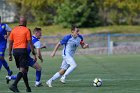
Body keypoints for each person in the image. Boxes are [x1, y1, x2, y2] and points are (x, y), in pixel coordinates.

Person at [9, 16, 36, 92]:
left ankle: (28, 88)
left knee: (24, 70)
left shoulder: (13, 30)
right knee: (23, 70)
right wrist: (34, 53)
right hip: (22, 51)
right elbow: (30, 42)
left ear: (19, 22)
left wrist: (10, 54)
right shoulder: (27, 30)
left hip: (15, 51)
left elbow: (10, 43)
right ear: (25, 22)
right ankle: (14, 85)